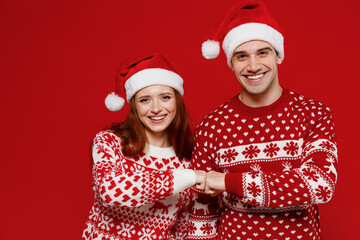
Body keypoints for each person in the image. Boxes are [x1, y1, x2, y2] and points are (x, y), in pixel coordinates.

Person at [188, 1, 338, 240]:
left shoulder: (313, 114)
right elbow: (201, 210)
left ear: (278, 55)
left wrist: (228, 182)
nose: (253, 66)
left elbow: (320, 183)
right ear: (232, 63)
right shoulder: (211, 126)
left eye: (262, 52)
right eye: (241, 56)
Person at [82, 51, 206, 240]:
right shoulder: (109, 142)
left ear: (177, 101)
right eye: (144, 100)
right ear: (134, 106)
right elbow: (110, 190)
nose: (156, 108)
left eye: (165, 97)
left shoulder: (189, 161)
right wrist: (192, 177)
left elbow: (182, 231)